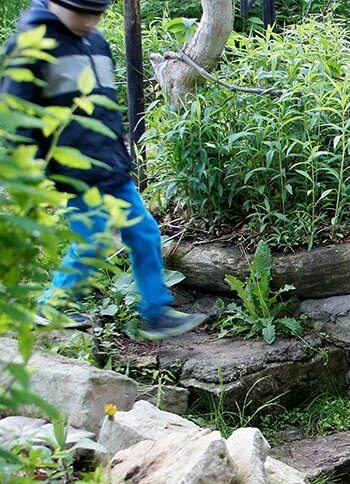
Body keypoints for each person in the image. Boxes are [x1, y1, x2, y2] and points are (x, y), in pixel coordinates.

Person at [2, 0, 206, 340]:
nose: (91, 21)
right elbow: (18, 115)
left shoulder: (95, 41)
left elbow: (106, 110)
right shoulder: (31, 42)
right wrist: (28, 172)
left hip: (112, 164)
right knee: (94, 238)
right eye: (83, 12)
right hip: (75, 169)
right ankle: (54, 304)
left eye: (97, 13)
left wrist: (119, 155)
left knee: (144, 234)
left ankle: (155, 312)